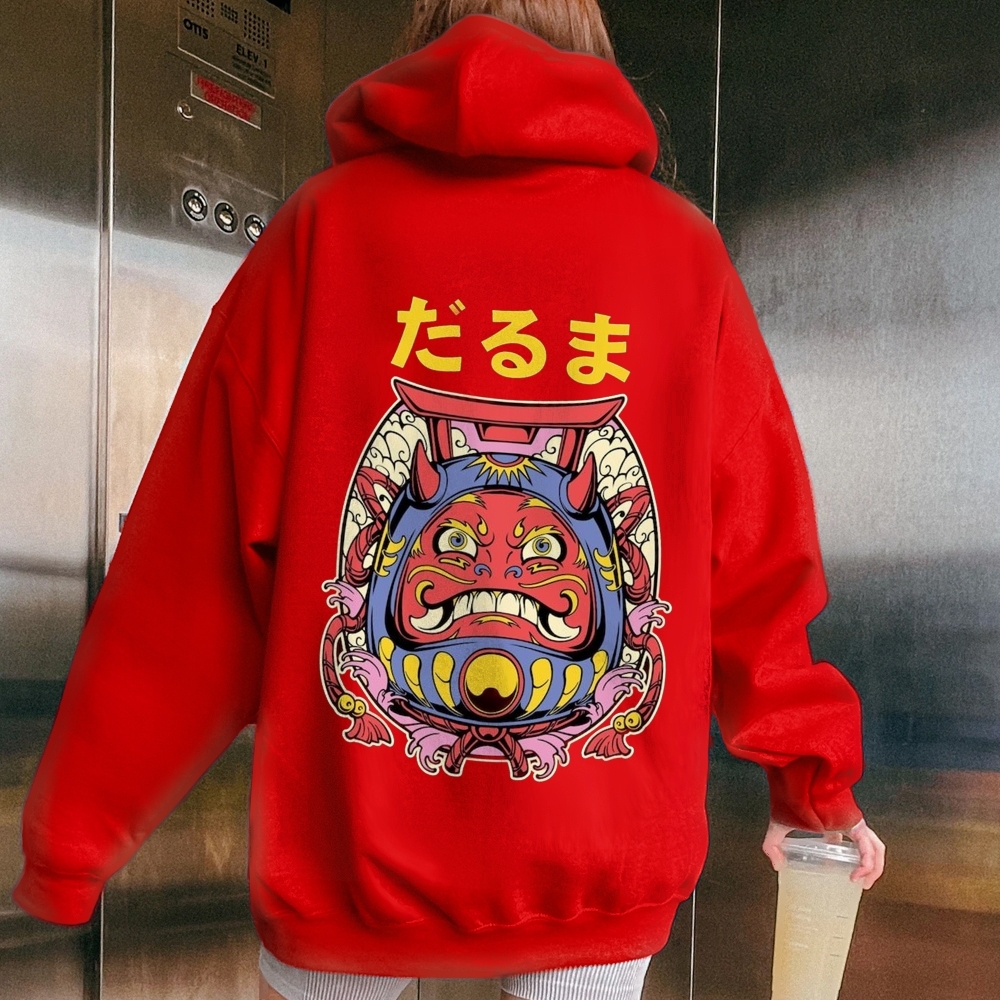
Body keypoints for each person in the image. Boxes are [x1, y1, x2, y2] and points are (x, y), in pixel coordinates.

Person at [13, 3, 885, 1000]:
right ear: (590, 45)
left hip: (347, 861)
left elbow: (192, 565)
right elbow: (760, 561)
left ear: (421, 35)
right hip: (597, 863)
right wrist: (812, 787)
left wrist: (74, 842)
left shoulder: (323, 230)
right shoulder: (681, 254)